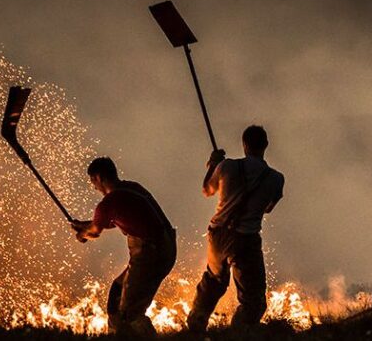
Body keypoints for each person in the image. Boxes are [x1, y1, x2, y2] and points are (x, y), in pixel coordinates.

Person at [186, 125, 285, 332]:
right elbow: (268, 208)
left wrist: (213, 165)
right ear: (266, 145)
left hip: (218, 234)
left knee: (213, 282)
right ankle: (239, 332)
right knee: (253, 299)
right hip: (246, 239)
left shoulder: (227, 166)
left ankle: (195, 326)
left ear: (244, 145)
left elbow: (207, 190)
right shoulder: (276, 178)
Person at [71, 157, 177, 335]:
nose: (94, 187)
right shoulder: (132, 188)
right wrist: (84, 224)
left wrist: (82, 234)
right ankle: (116, 333)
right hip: (165, 247)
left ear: (98, 177)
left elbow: (94, 232)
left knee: (130, 314)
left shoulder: (108, 203)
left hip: (151, 254)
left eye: (93, 181)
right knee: (117, 291)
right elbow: (115, 219)